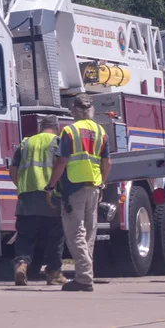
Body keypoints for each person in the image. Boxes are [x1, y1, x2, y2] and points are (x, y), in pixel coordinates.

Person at [46, 93, 111, 292]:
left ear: (73, 110)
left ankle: (84, 277)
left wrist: (50, 186)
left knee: (75, 234)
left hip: (74, 188)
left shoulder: (70, 131)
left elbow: (61, 162)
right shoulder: (101, 131)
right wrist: (102, 183)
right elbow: (107, 162)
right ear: (92, 110)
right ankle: (86, 275)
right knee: (89, 235)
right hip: (95, 186)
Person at [10, 115, 67, 286]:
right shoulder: (58, 141)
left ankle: (21, 264)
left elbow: (13, 170)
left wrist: (22, 186)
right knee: (55, 237)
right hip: (50, 196)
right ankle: (54, 273)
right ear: (56, 127)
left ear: (40, 127)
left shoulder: (26, 143)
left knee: (25, 236)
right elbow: (62, 165)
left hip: (26, 197)